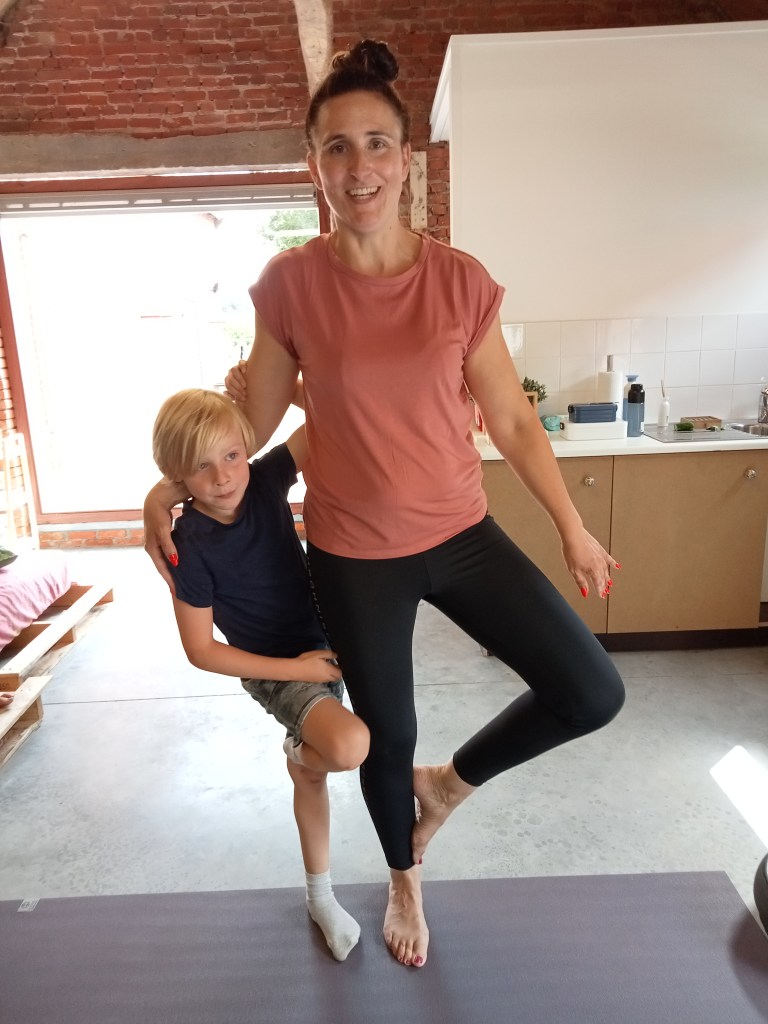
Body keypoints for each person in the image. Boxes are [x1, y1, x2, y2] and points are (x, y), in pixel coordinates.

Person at [145, 39, 625, 970]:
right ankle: (405, 878)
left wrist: (573, 528)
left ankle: (446, 787)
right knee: (384, 737)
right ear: (315, 165)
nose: (357, 166)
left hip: (461, 533)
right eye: (336, 147)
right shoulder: (290, 285)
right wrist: (163, 492)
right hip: (354, 553)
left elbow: (512, 423)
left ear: (405, 160)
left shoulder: (460, 281)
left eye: (375, 144)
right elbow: (253, 425)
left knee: (590, 689)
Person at [150, 388, 370, 962]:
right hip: (277, 668)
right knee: (348, 747)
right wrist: (293, 669)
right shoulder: (188, 544)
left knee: (316, 774)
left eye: (231, 456)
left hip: (326, 640)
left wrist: (292, 390)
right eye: (201, 466)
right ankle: (301, 754)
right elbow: (201, 650)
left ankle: (320, 896)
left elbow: (334, 412)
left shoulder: (266, 479)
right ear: (177, 474)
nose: (223, 477)